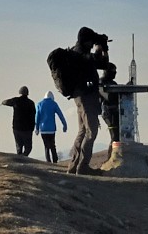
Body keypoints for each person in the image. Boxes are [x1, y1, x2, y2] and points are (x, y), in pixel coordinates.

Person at [48, 26, 115, 175]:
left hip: (81, 97)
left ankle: (74, 167)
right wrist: (101, 48)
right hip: (85, 96)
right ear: (85, 41)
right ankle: (83, 167)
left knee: (83, 131)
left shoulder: (76, 53)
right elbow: (99, 61)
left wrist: (102, 47)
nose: (92, 45)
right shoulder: (79, 55)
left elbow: (102, 64)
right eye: (91, 42)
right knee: (92, 131)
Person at [34, 90, 68, 164]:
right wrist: (64, 125)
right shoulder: (54, 104)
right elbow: (60, 115)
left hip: (43, 129)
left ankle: (48, 161)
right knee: (53, 145)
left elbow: (37, 117)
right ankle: (55, 161)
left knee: (46, 146)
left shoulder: (39, 104)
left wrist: (36, 128)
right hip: (51, 129)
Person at [2, 87, 36, 157]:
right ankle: (23, 157)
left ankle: (20, 159)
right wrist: (33, 127)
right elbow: (33, 116)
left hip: (17, 128)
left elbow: (6, 102)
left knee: (19, 147)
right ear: (27, 93)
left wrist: (3, 102)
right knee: (28, 147)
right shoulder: (31, 103)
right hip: (27, 129)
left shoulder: (16, 100)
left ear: (20, 92)